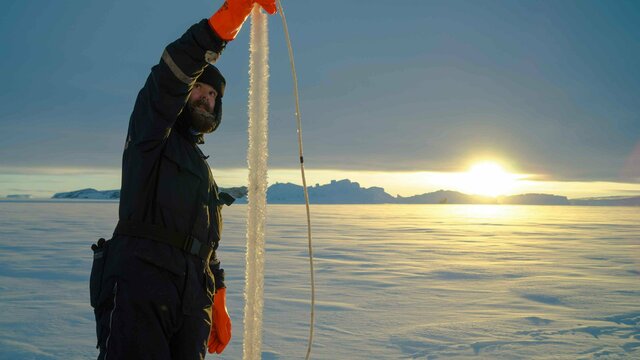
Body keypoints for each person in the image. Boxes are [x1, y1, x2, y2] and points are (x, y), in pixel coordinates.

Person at [89, 1, 277, 358]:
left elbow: (205, 242)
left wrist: (216, 296)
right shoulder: (151, 134)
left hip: (192, 295)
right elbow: (172, 73)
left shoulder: (197, 165)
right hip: (142, 282)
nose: (207, 100)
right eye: (201, 89)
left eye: (213, 96)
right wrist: (223, 26)